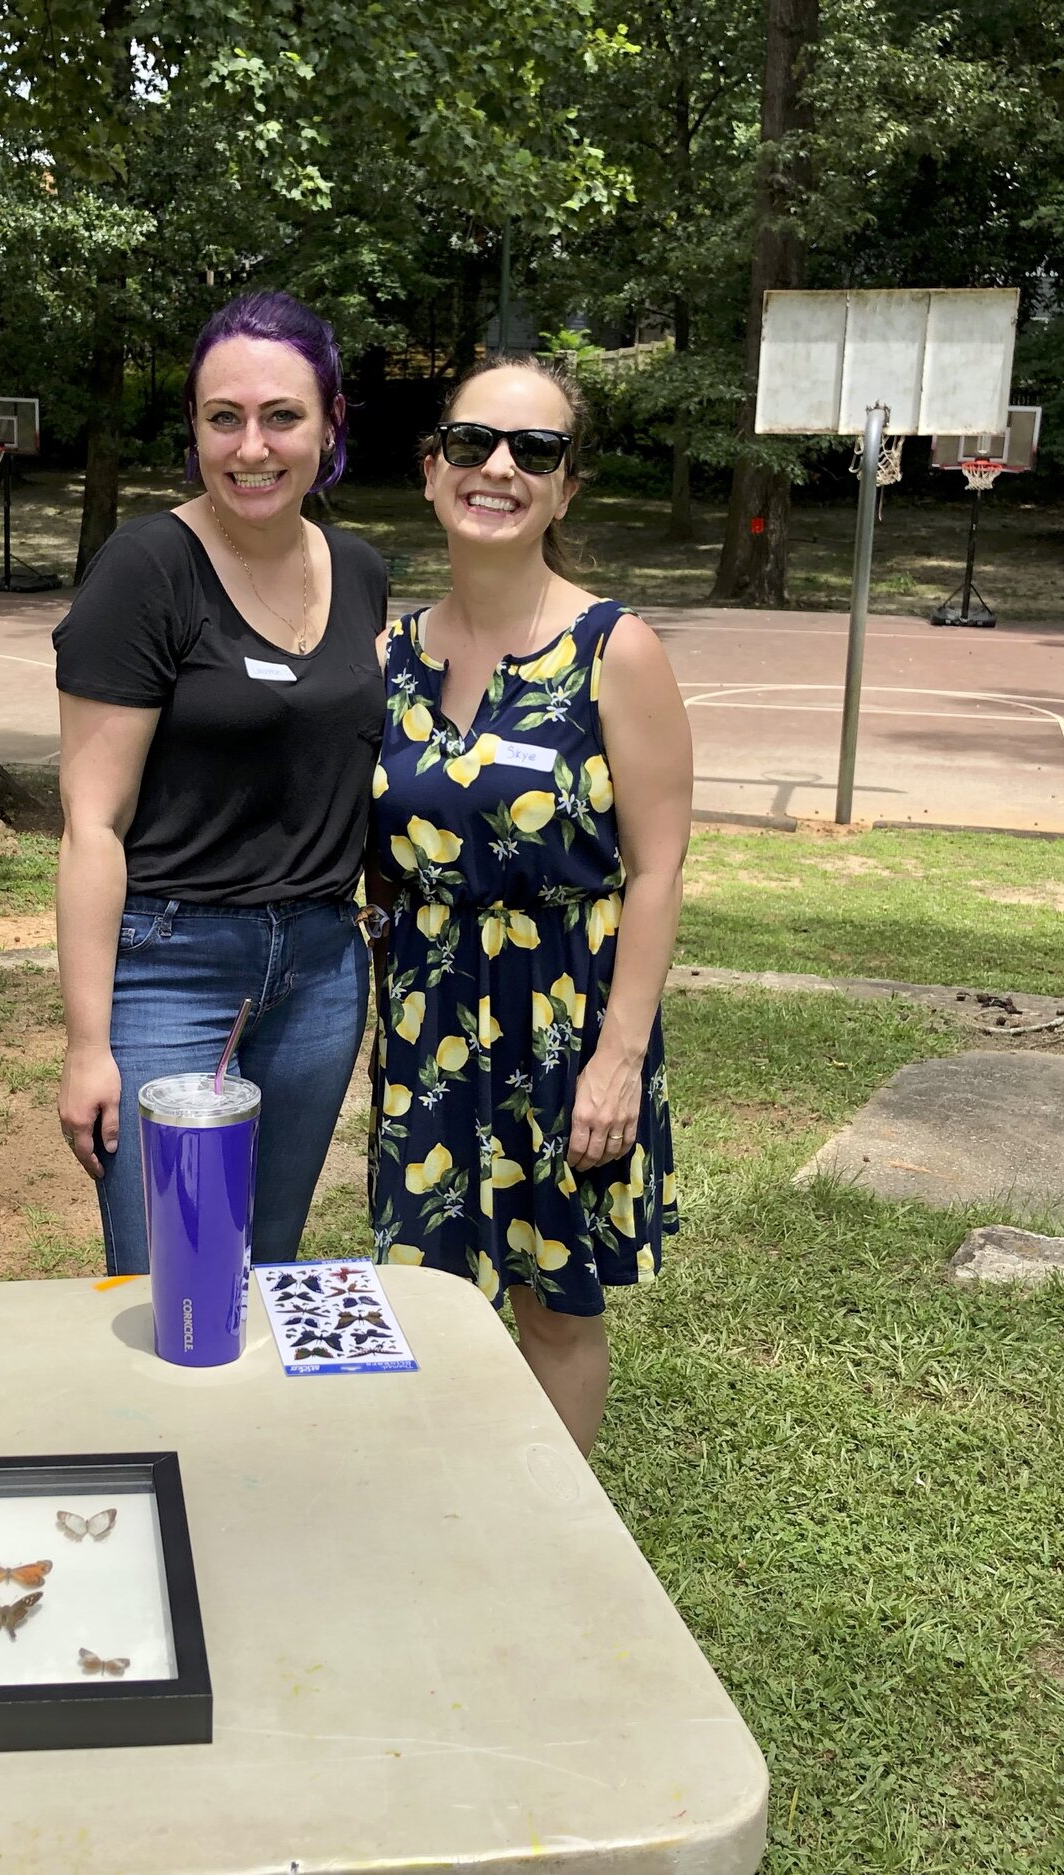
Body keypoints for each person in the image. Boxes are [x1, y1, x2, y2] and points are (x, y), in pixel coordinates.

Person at [366, 357, 693, 1453]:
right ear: (430, 471)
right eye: (471, 443)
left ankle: (560, 1551)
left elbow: (655, 870)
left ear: (564, 488)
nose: (497, 468)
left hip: (566, 1023)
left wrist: (617, 1058)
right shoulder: (388, 660)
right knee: (426, 1298)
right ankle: (449, 1530)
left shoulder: (615, 652)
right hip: (427, 1019)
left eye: (532, 451)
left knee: (554, 1307)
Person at [53, 290, 389, 1273]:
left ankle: (247, 1440)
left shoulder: (360, 570)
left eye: (281, 416)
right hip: (172, 967)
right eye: (222, 418)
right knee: (180, 1279)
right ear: (194, 427)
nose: (252, 447)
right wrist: (87, 1045)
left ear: (327, 425)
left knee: (270, 1265)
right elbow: (90, 824)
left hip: (323, 971)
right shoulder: (146, 569)